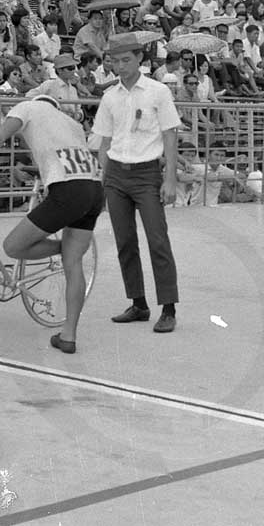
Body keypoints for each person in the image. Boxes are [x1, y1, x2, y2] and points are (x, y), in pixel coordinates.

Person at [0, 94, 104, 353]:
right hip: (94, 188)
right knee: (73, 263)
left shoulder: (26, 107)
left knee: (13, 246)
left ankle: (64, 249)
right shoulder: (71, 123)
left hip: (69, 190)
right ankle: (68, 336)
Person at [91, 31, 182, 334]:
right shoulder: (109, 96)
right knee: (125, 242)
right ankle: (138, 303)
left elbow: (170, 135)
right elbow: (104, 141)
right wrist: (104, 178)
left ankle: (168, 308)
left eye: (126, 60)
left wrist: (170, 179)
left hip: (147, 174)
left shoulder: (158, 91)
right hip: (116, 174)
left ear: (140, 58)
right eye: (115, 61)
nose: (121, 66)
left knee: (158, 240)